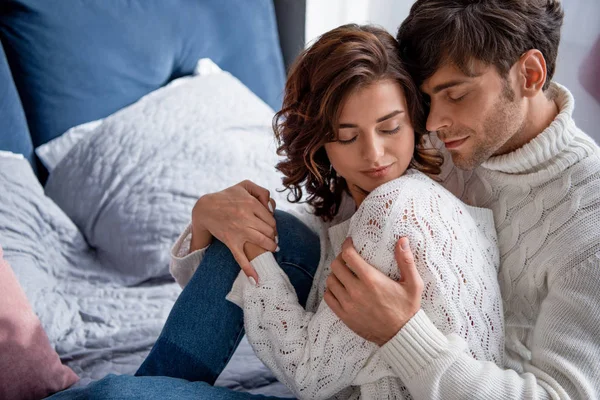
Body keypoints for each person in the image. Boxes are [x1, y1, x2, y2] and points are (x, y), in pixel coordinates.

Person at [319, 1, 600, 399]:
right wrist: (242, 215)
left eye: (456, 95)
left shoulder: (590, 223)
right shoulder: (447, 138)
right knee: (251, 243)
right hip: (359, 366)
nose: (432, 124)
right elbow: (347, 212)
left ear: (530, 75)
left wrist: (401, 331)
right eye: (428, 99)